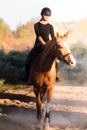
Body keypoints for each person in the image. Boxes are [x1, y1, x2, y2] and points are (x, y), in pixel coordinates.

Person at [24, 7, 61, 82]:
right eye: (45, 15)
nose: (47, 17)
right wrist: (44, 44)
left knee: (57, 61)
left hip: (48, 45)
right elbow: (38, 36)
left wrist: (52, 45)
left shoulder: (50, 26)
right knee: (28, 59)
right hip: (39, 45)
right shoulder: (36, 25)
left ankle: (57, 76)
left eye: (48, 16)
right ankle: (27, 76)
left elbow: (53, 37)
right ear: (42, 15)